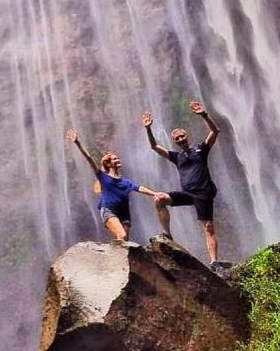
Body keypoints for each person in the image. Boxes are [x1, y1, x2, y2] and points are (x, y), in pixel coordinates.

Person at [141, 101, 224, 269]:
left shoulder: (201, 150)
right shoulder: (176, 157)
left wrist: (203, 114)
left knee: (208, 226)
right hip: (187, 193)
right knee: (159, 199)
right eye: (177, 138)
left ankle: (214, 261)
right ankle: (167, 234)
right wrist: (148, 128)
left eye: (182, 136)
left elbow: (215, 131)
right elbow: (154, 146)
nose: (180, 139)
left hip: (203, 192)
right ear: (174, 142)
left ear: (187, 136)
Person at [66, 128, 161, 242]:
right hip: (109, 210)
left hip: (125, 214)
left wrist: (154, 194)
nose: (118, 159)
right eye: (115, 159)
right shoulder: (103, 177)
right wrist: (78, 143)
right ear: (108, 163)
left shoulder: (125, 181)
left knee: (124, 241)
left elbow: (139, 188)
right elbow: (89, 158)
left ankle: (119, 258)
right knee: (122, 236)